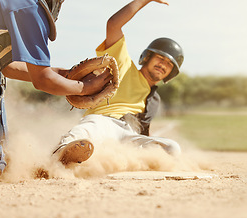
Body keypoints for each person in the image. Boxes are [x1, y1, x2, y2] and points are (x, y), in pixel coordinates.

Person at [0, 0, 111, 181]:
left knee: (2, 155)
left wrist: (67, 75)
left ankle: (1, 153)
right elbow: (42, 80)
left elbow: (8, 66)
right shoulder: (30, 7)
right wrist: (84, 88)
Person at [52, 0, 184, 166]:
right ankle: (60, 156)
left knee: (172, 148)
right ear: (147, 57)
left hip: (128, 136)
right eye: (160, 58)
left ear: (171, 72)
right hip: (105, 122)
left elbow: (144, 133)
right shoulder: (124, 66)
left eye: (169, 64)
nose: (163, 65)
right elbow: (113, 25)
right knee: (90, 127)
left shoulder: (154, 100)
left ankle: (115, 162)